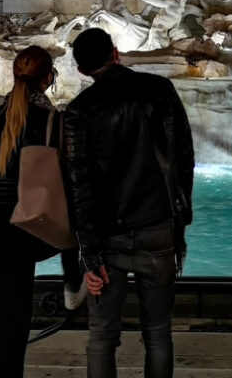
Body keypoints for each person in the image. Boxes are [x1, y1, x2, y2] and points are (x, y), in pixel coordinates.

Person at [63, 27, 194, 378]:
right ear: (116, 53)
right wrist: (180, 214)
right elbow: (184, 157)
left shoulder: (79, 111)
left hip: (107, 237)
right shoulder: (160, 90)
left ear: (80, 70)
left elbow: (79, 184)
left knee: (102, 336)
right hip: (158, 227)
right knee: (158, 333)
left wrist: (88, 257)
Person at [0, 45, 85, 378]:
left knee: (9, 325)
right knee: (14, 324)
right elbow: (75, 179)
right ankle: (73, 281)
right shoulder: (56, 120)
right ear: (49, 78)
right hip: (37, 225)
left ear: (14, 75)